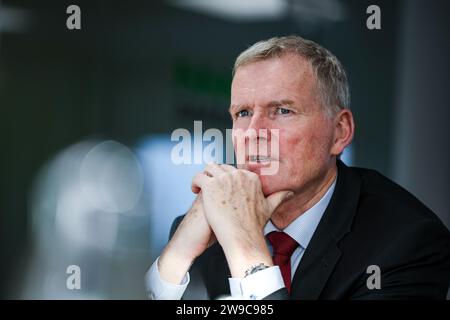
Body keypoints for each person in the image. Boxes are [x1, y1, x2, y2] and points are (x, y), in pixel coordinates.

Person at [145, 35, 450, 299]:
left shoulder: (407, 244)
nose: (254, 132)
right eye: (243, 113)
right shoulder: (203, 229)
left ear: (340, 132)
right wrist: (175, 258)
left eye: (282, 110)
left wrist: (247, 251)